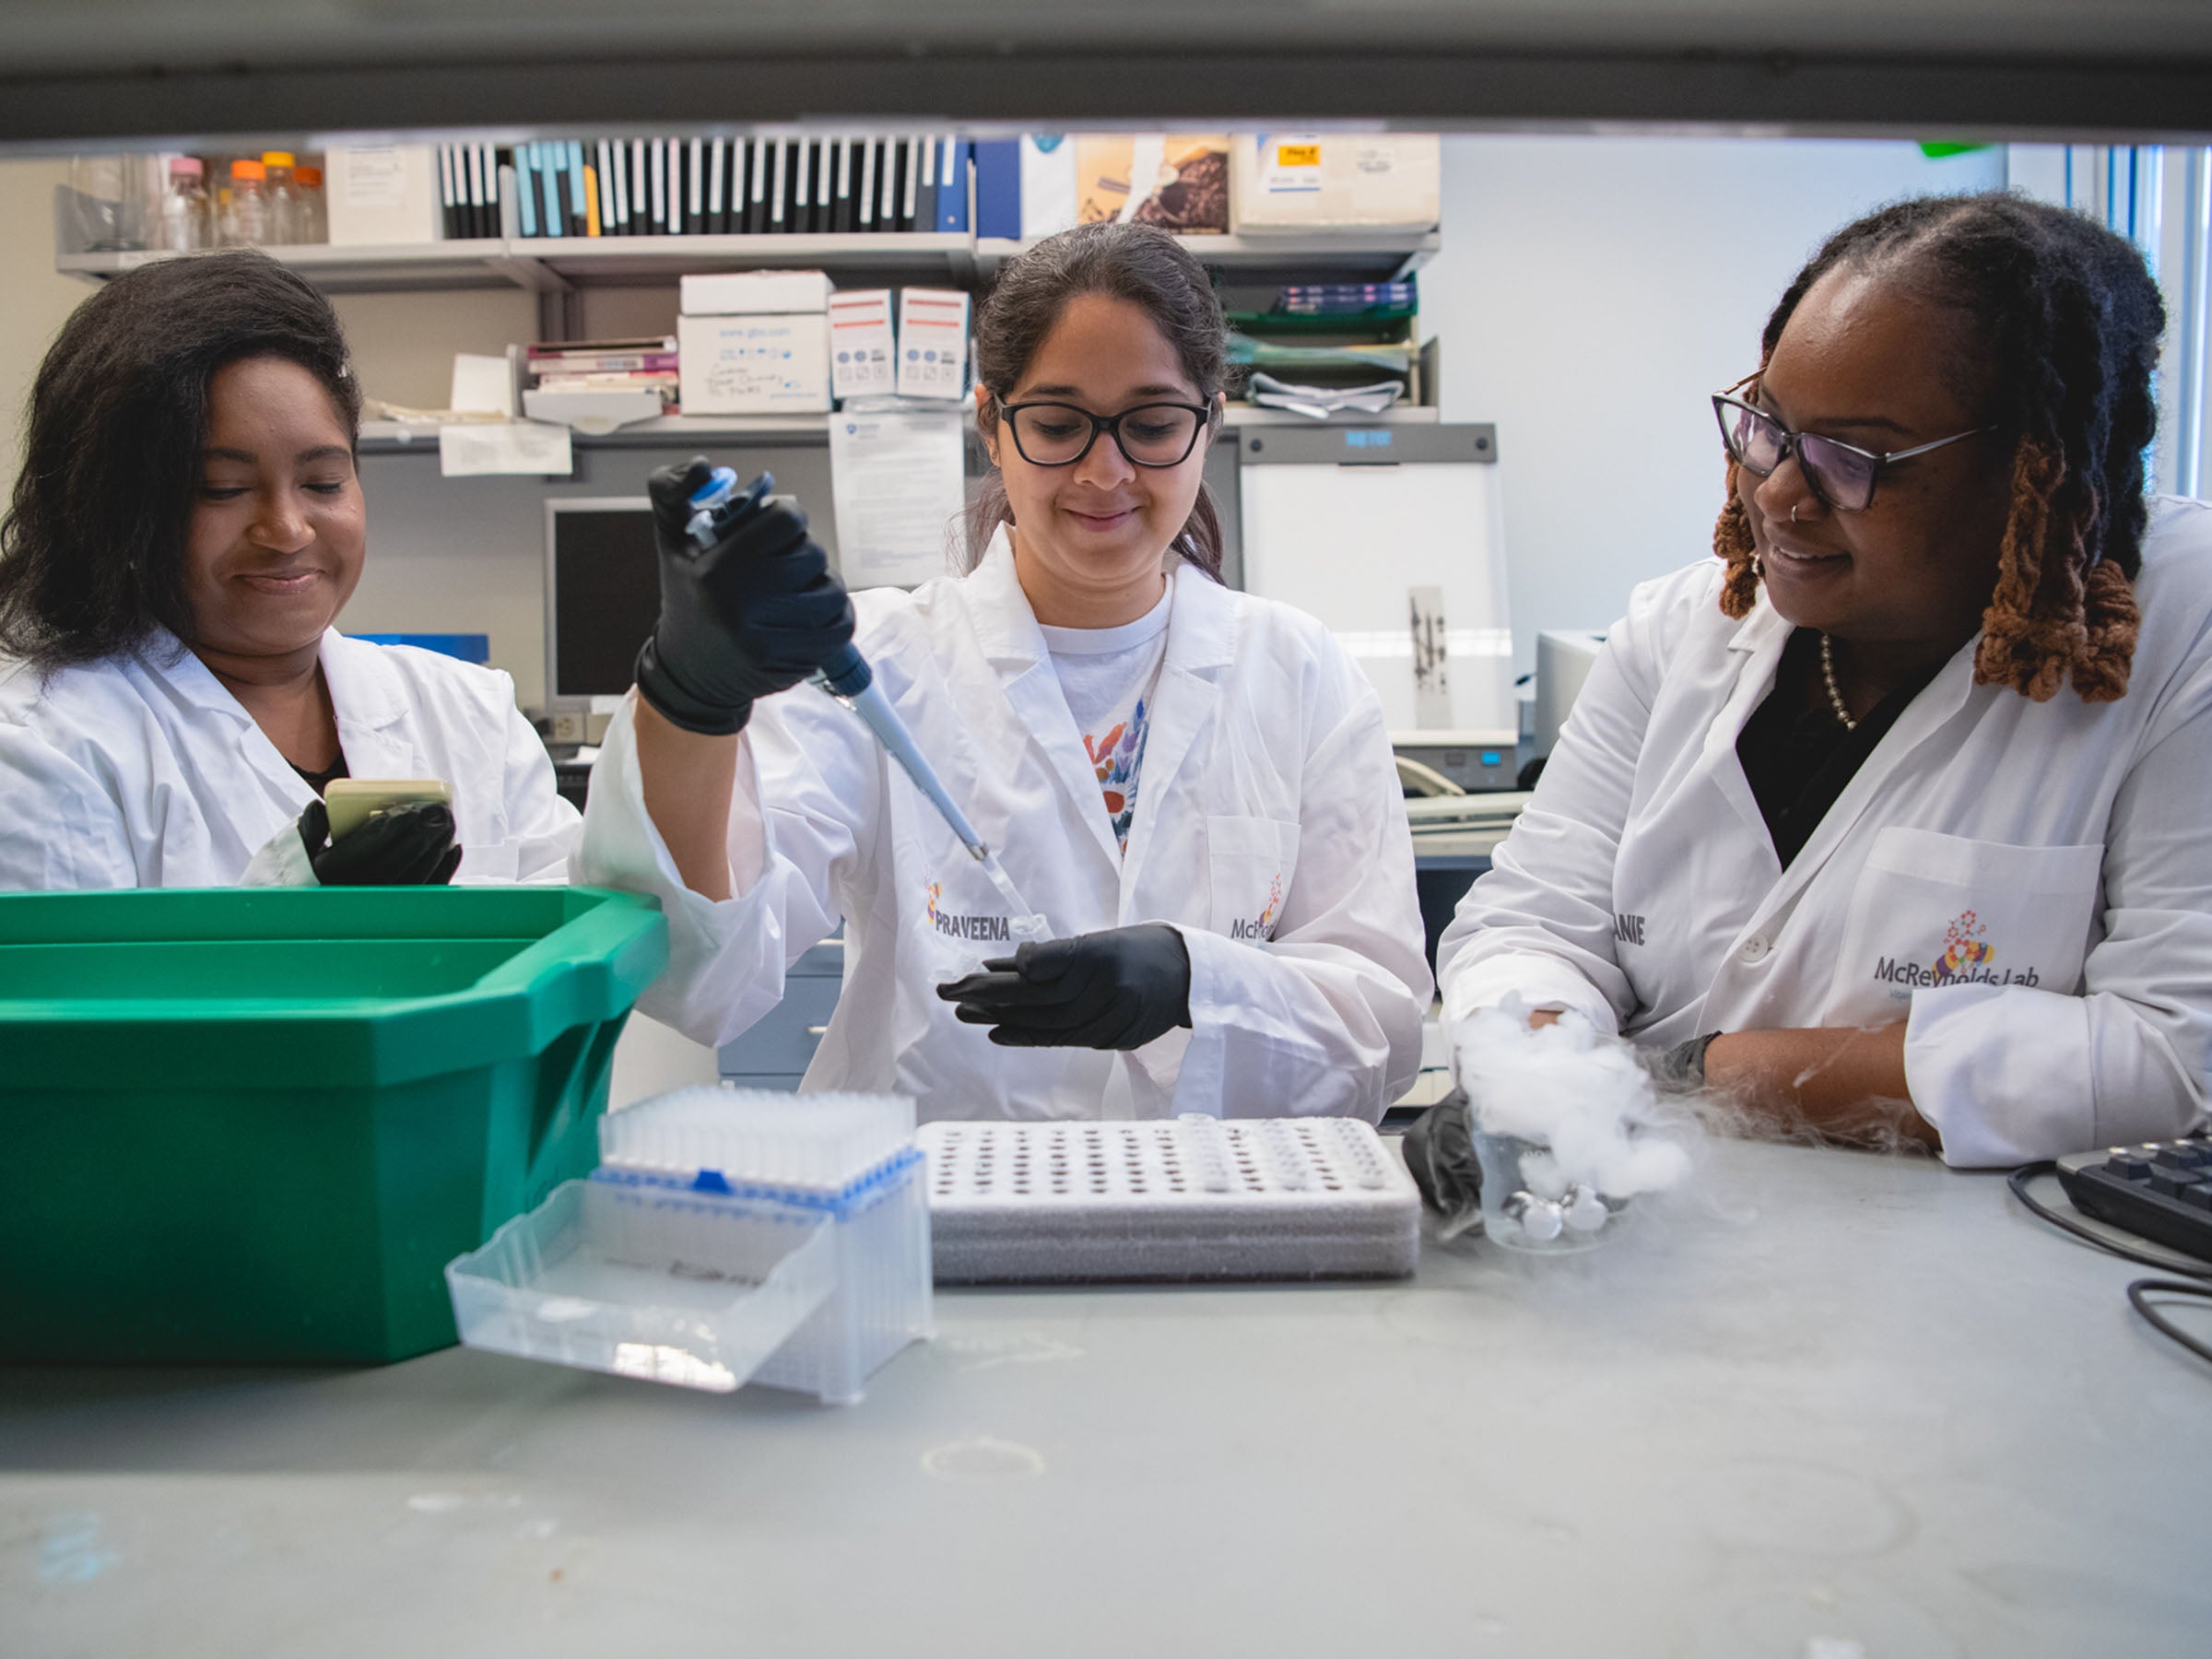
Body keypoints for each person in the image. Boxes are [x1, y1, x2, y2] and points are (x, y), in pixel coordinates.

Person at [576, 220, 1430, 1121]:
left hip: (1215, 1223)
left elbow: (1385, 1028)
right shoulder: (877, 662)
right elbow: (702, 977)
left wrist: (1197, 982)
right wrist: (689, 701)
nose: (1106, 472)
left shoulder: (1302, 676)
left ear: (1208, 422)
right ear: (992, 424)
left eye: (1150, 424)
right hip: (936, 1227)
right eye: (1059, 425)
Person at [1439, 192, 2212, 1167]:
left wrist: (1693, 1077)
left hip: (1988, 1278)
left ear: (2033, 469)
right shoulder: (1677, 630)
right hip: (1652, 1236)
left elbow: (2175, 1052)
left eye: (1855, 458)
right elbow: (1529, 923)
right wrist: (1540, 1066)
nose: (1778, 495)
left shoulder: (2183, 627)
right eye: (1766, 428)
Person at [0, 251, 577, 889]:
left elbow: (584, 951)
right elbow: (78, 989)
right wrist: (294, 922)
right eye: (221, 488)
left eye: (323, 483)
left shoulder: (470, 713)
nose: (287, 530)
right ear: (117, 505)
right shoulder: (46, 746)